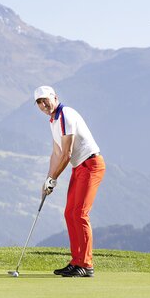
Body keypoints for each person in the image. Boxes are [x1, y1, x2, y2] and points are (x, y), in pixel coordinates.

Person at [34, 85, 105, 278]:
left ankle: (86, 264)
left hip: (91, 164)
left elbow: (67, 153)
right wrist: (47, 180)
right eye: (39, 102)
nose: (42, 105)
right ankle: (76, 262)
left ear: (54, 97)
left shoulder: (65, 114)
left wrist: (54, 179)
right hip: (79, 167)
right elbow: (56, 153)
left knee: (80, 214)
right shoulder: (53, 121)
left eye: (45, 100)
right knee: (69, 213)